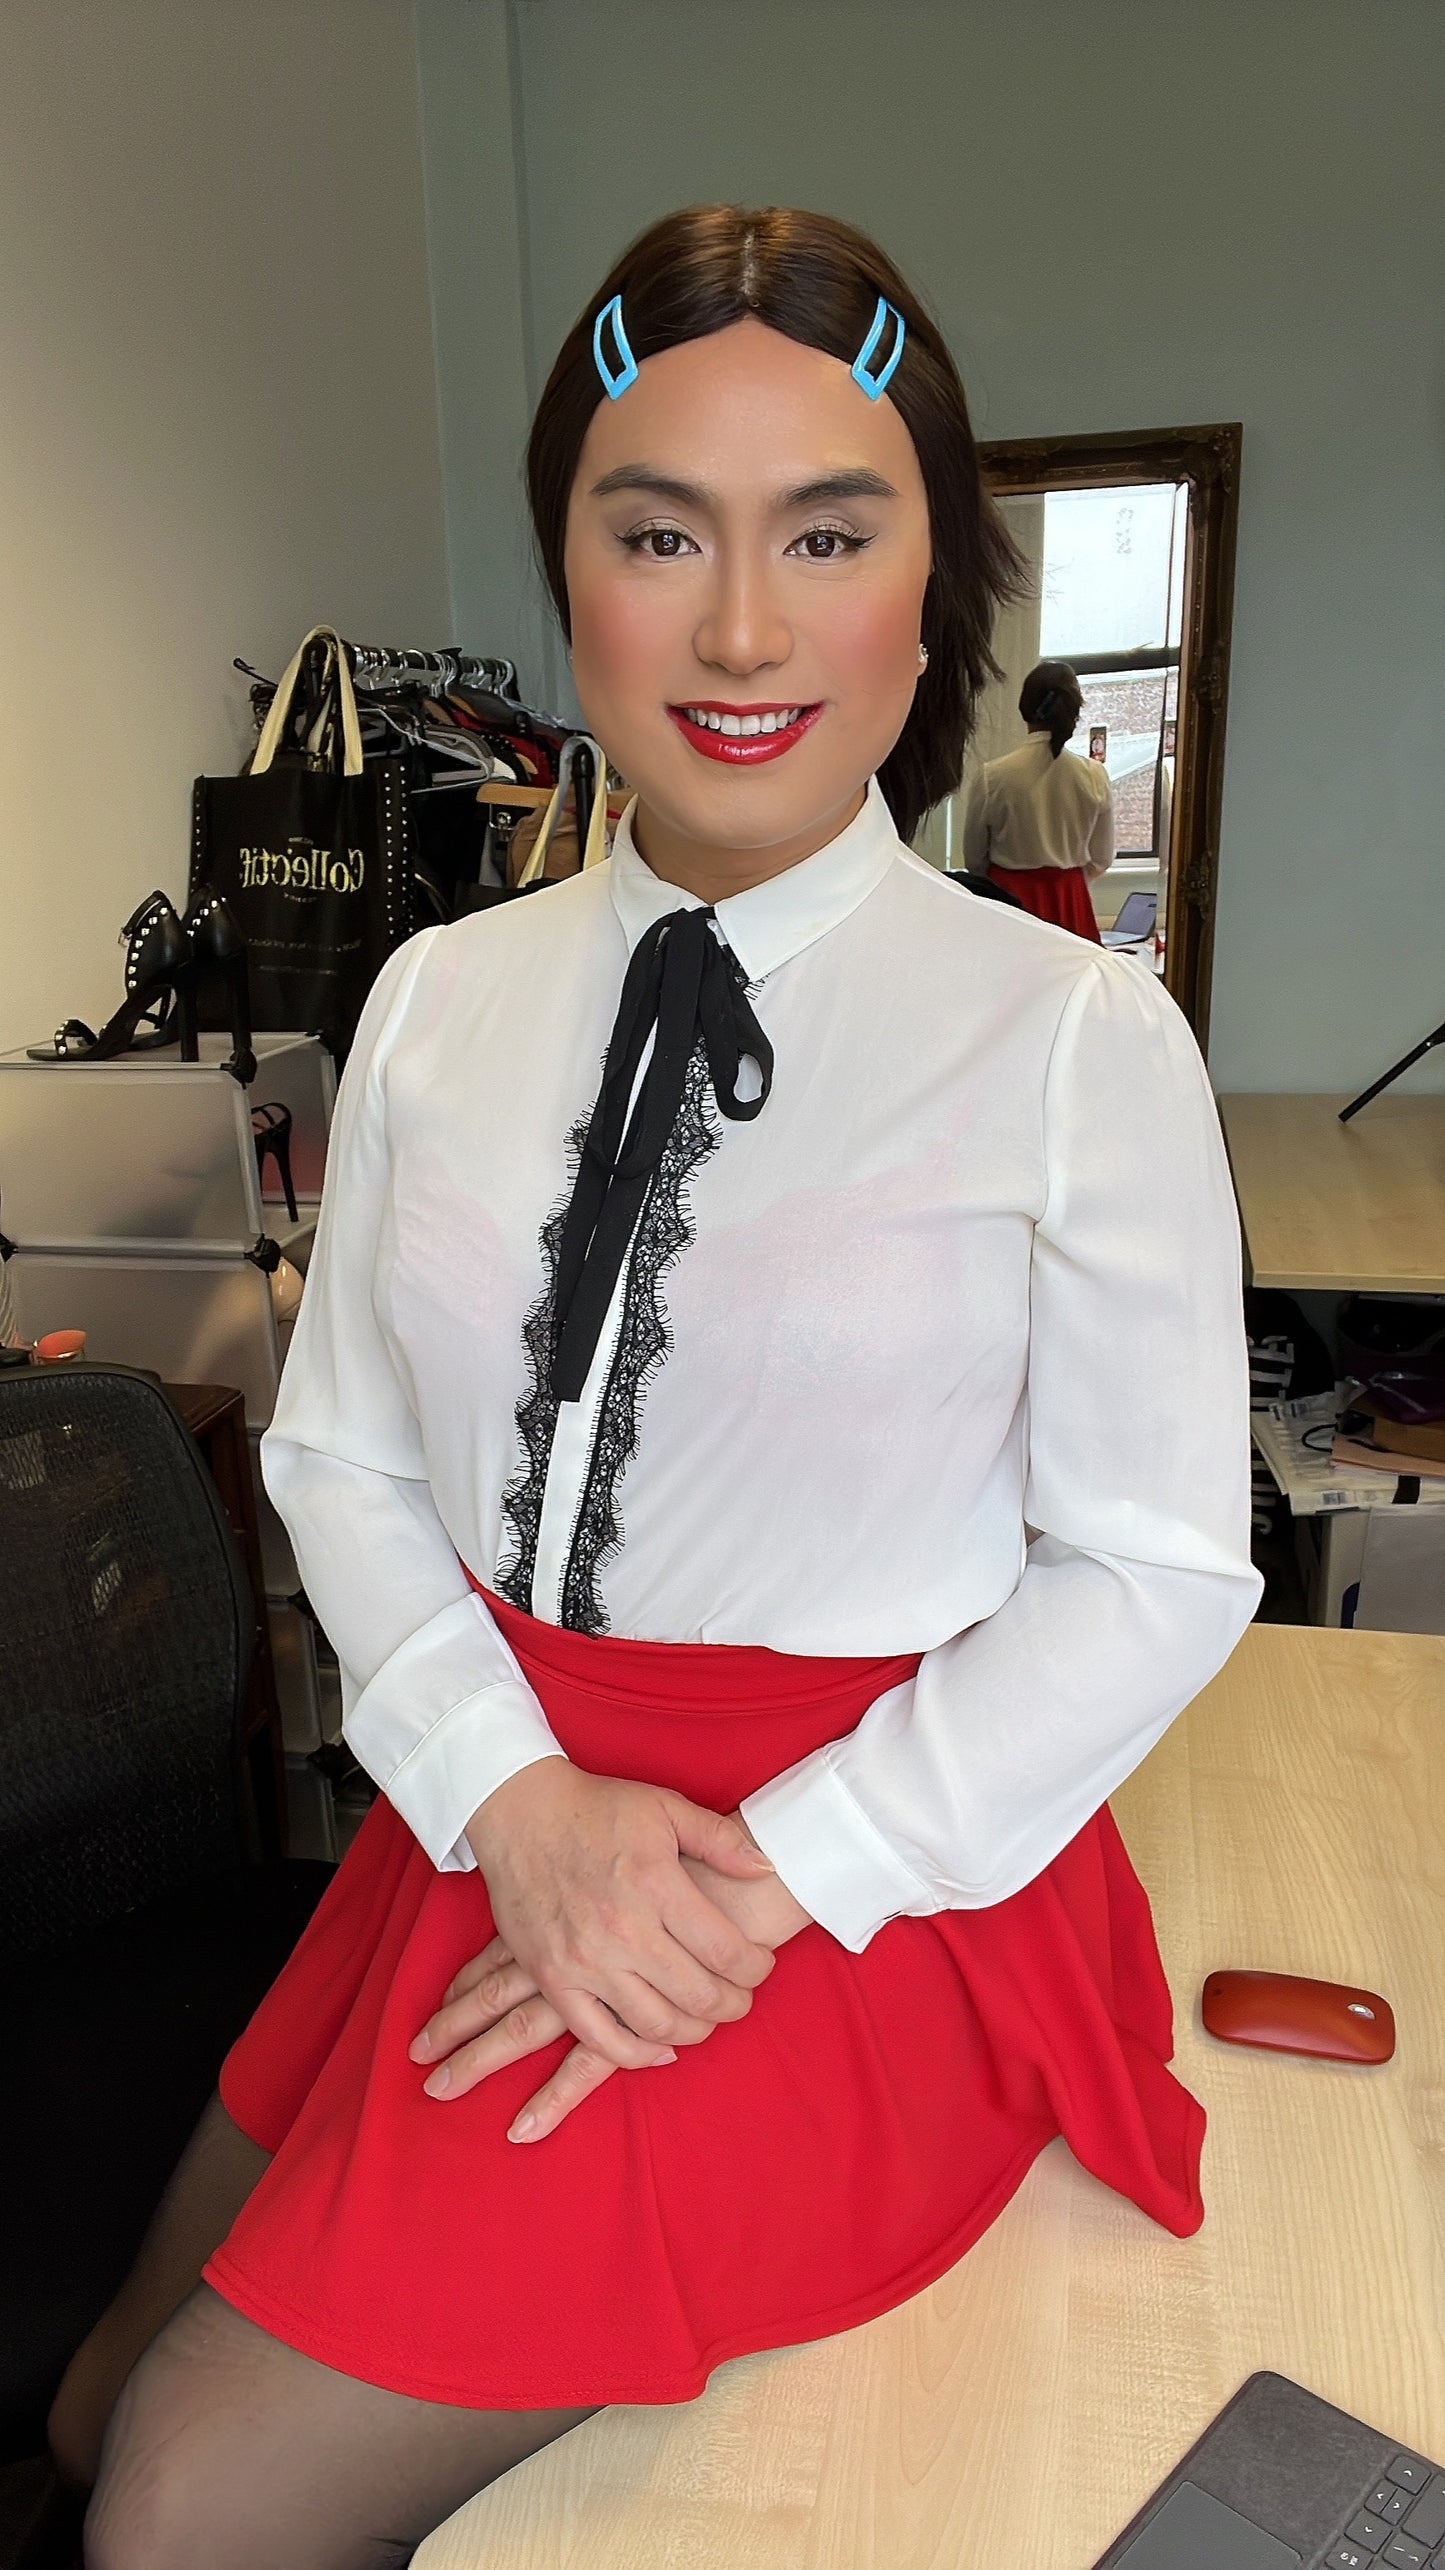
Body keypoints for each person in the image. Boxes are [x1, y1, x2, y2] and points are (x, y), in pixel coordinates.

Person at [58, 205, 1261, 2570]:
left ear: (932, 589)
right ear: (570, 574)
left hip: (836, 1880)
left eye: (828, 531)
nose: (738, 629)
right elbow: (343, 1454)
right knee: (108, 2396)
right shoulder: (434, 996)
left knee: (187, 2500)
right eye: (655, 534)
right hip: (484, 1802)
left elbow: (1147, 1572)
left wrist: (765, 1881)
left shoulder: (1068, 1041)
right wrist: (512, 1799)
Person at [961, 660, 1115, 938]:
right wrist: (1065, 881)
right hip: (1070, 899)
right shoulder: (1094, 775)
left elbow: (975, 860)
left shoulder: (993, 777)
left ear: (1025, 708)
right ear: (1072, 712)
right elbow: (1101, 859)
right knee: (1073, 981)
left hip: (1009, 902)